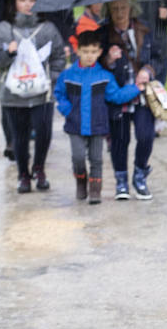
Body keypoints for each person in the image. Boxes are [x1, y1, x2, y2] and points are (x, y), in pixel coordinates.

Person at [0, 0, 67, 193]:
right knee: (19, 135)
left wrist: (52, 80)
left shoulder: (48, 29)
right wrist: (7, 54)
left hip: (42, 92)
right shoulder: (2, 30)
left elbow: (58, 58)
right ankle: (23, 174)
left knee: (44, 131)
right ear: (14, 3)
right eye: (22, 0)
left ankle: (39, 169)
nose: (28, 4)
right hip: (13, 94)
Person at [54, 29, 143, 204]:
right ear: (77, 51)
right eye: (85, 52)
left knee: (96, 159)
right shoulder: (67, 76)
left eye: (93, 52)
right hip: (75, 124)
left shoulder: (104, 76)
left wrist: (136, 88)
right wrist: (67, 110)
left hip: (97, 124)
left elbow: (115, 95)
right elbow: (59, 94)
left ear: (100, 52)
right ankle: (81, 180)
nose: (89, 56)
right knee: (78, 157)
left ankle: (95, 191)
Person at [98, 0, 163, 200]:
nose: (119, 12)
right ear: (109, 11)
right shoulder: (103, 33)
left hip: (142, 93)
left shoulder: (145, 28)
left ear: (131, 8)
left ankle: (140, 175)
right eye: (115, 8)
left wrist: (147, 70)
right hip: (117, 93)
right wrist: (108, 60)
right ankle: (121, 181)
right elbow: (95, 62)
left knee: (146, 136)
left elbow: (158, 57)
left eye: (123, 7)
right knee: (119, 140)